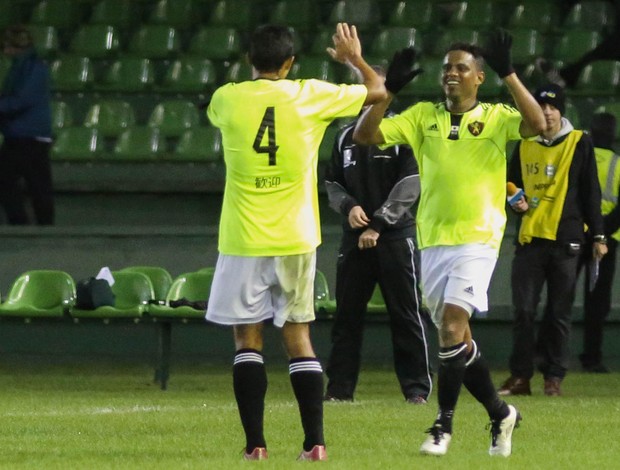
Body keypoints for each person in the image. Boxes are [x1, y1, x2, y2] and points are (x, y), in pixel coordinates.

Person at [353, 28, 546, 457]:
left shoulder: (496, 117)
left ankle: (442, 425)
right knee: (455, 339)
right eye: (446, 68)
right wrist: (388, 91)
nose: (451, 74)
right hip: (434, 239)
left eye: (461, 68)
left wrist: (509, 73)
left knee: (452, 327)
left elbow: (537, 125)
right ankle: (500, 413)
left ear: (479, 77)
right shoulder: (423, 116)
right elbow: (365, 136)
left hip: (479, 238)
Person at [204, 23, 386, 461]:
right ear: (289, 63)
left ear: (250, 59)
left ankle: (256, 447)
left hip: (243, 237)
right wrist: (354, 60)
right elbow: (378, 91)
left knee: (248, 341)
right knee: (298, 339)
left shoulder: (226, 98)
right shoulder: (311, 93)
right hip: (297, 236)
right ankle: (315, 444)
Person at [323, 66, 432, 405]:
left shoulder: (401, 132)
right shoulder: (344, 136)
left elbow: (411, 184)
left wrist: (379, 224)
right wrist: (350, 207)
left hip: (395, 238)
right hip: (354, 239)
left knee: (406, 314)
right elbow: (332, 184)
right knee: (346, 318)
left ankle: (416, 389)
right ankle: (339, 390)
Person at [498, 84, 607, 398]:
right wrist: (514, 199)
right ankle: (520, 377)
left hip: (566, 241)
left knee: (559, 314)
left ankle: (554, 377)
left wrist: (598, 235)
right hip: (530, 238)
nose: (546, 112)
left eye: (552, 107)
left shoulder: (579, 142)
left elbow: (591, 191)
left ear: (562, 110)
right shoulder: (525, 142)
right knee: (524, 312)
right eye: (540, 106)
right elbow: (509, 181)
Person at [0, 24, 54, 225]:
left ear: (16, 46)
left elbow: (21, 100)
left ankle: (31, 225)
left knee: (36, 185)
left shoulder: (33, 68)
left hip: (29, 136)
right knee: (35, 184)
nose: (4, 51)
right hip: (22, 135)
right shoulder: (24, 67)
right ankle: (35, 226)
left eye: (6, 46)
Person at [579, 112, 620, 373]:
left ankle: (547, 354)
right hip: (608, 241)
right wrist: (602, 231)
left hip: (576, 232)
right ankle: (592, 357)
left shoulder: (580, 157)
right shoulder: (618, 163)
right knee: (598, 300)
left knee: (561, 296)